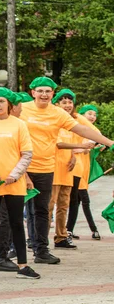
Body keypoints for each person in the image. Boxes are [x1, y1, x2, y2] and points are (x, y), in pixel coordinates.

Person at [19, 76, 114, 265]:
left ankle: (41, 250)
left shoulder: (58, 113)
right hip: (22, 168)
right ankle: (1, 253)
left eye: (48, 91)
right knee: (10, 212)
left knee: (42, 211)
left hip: (47, 168)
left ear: (52, 94)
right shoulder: (22, 109)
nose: (44, 94)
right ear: (33, 93)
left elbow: (83, 131)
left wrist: (110, 142)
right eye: (40, 91)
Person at [0, 87, 40, 280]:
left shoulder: (19, 124)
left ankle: (23, 265)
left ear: (9, 104)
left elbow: (27, 154)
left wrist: (15, 175)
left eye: (2, 101)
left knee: (16, 223)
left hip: (14, 183)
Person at [49, 89, 90, 250]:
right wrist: (80, 146)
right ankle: (39, 239)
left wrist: (74, 154)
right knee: (49, 206)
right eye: (63, 102)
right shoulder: (55, 121)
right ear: (57, 104)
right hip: (53, 169)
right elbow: (58, 144)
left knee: (64, 205)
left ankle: (61, 237)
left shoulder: (72, 123)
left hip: (68, 169)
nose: (67, 105)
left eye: (70, 102)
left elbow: (87, 135)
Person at [67, 104, 102, 240]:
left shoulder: (89, 132)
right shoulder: (76, 129)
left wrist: (91, 149)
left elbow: (94, 141)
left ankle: (68, 229)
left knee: (76, 201)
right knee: (81, 201)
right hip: (75, 169)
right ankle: (93, 230)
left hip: (83, 170)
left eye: (94, 114)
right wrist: (83, 148)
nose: (92, 117)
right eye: (89, 114)